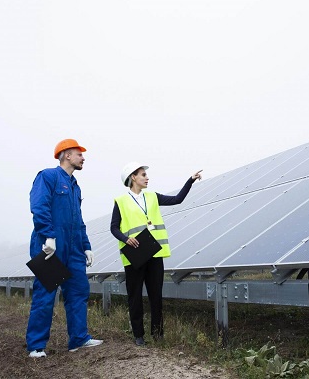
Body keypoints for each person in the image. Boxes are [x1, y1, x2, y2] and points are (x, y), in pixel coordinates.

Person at [26, 139, 103, 358]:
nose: (83, 157)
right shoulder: (48, 177)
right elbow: (39, 206)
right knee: (46, 294)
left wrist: (86, 246)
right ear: (67, 155)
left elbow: (78, 220)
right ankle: (36, 346)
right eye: (79, 154)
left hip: (74, 250)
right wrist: (48, 235)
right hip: (50, 248)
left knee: (79, 292)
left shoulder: (75, 185)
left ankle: (78, 339)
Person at [110, 162, 202, 346]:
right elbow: (113, 227)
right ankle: (138, 335)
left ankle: (158, 334)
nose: (147, 177)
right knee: (135, 296)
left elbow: (177, 199)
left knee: (156, 296)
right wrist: (126, 238)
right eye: (143, 174)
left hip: (154, 253)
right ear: (133, 177)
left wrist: (189, 181)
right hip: (134, 255)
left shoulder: (152, 196)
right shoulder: (121, 201)